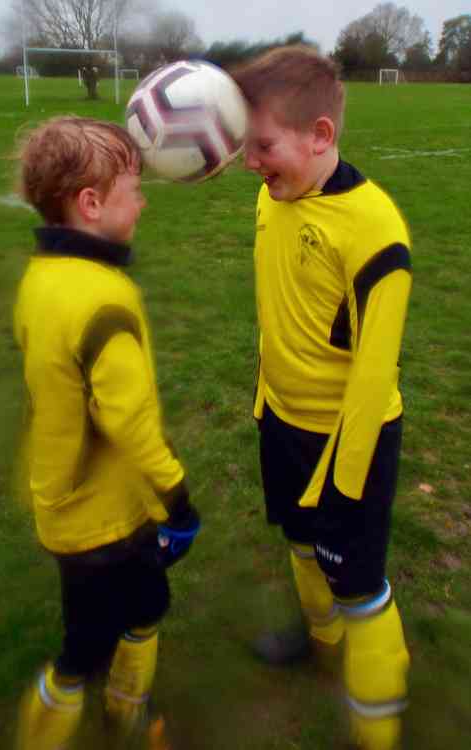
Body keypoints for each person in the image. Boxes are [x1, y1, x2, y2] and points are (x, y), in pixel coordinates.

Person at [232, 47, 412, 750]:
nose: (251, 163)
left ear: (321, 137)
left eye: (264, 147)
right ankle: (319, 640)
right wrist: (264, 407)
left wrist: (345, 481)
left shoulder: (375, 232)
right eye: (246, 147)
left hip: (350, 441)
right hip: (280, 420)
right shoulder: (273, 192)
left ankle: (379, 728)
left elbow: (372, 379)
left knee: (359, 584)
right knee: (301, 545)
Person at [13, 116, 200, 750]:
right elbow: (130, 420)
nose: (144, 200)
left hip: (64, 503)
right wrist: (178, 500)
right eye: (134, 188)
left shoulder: (40, 279)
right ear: (91, 204)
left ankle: (125, 710)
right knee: (87, 647)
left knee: (140, 610)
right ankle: (65, 725)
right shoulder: (104, 300)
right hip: (108, 515)